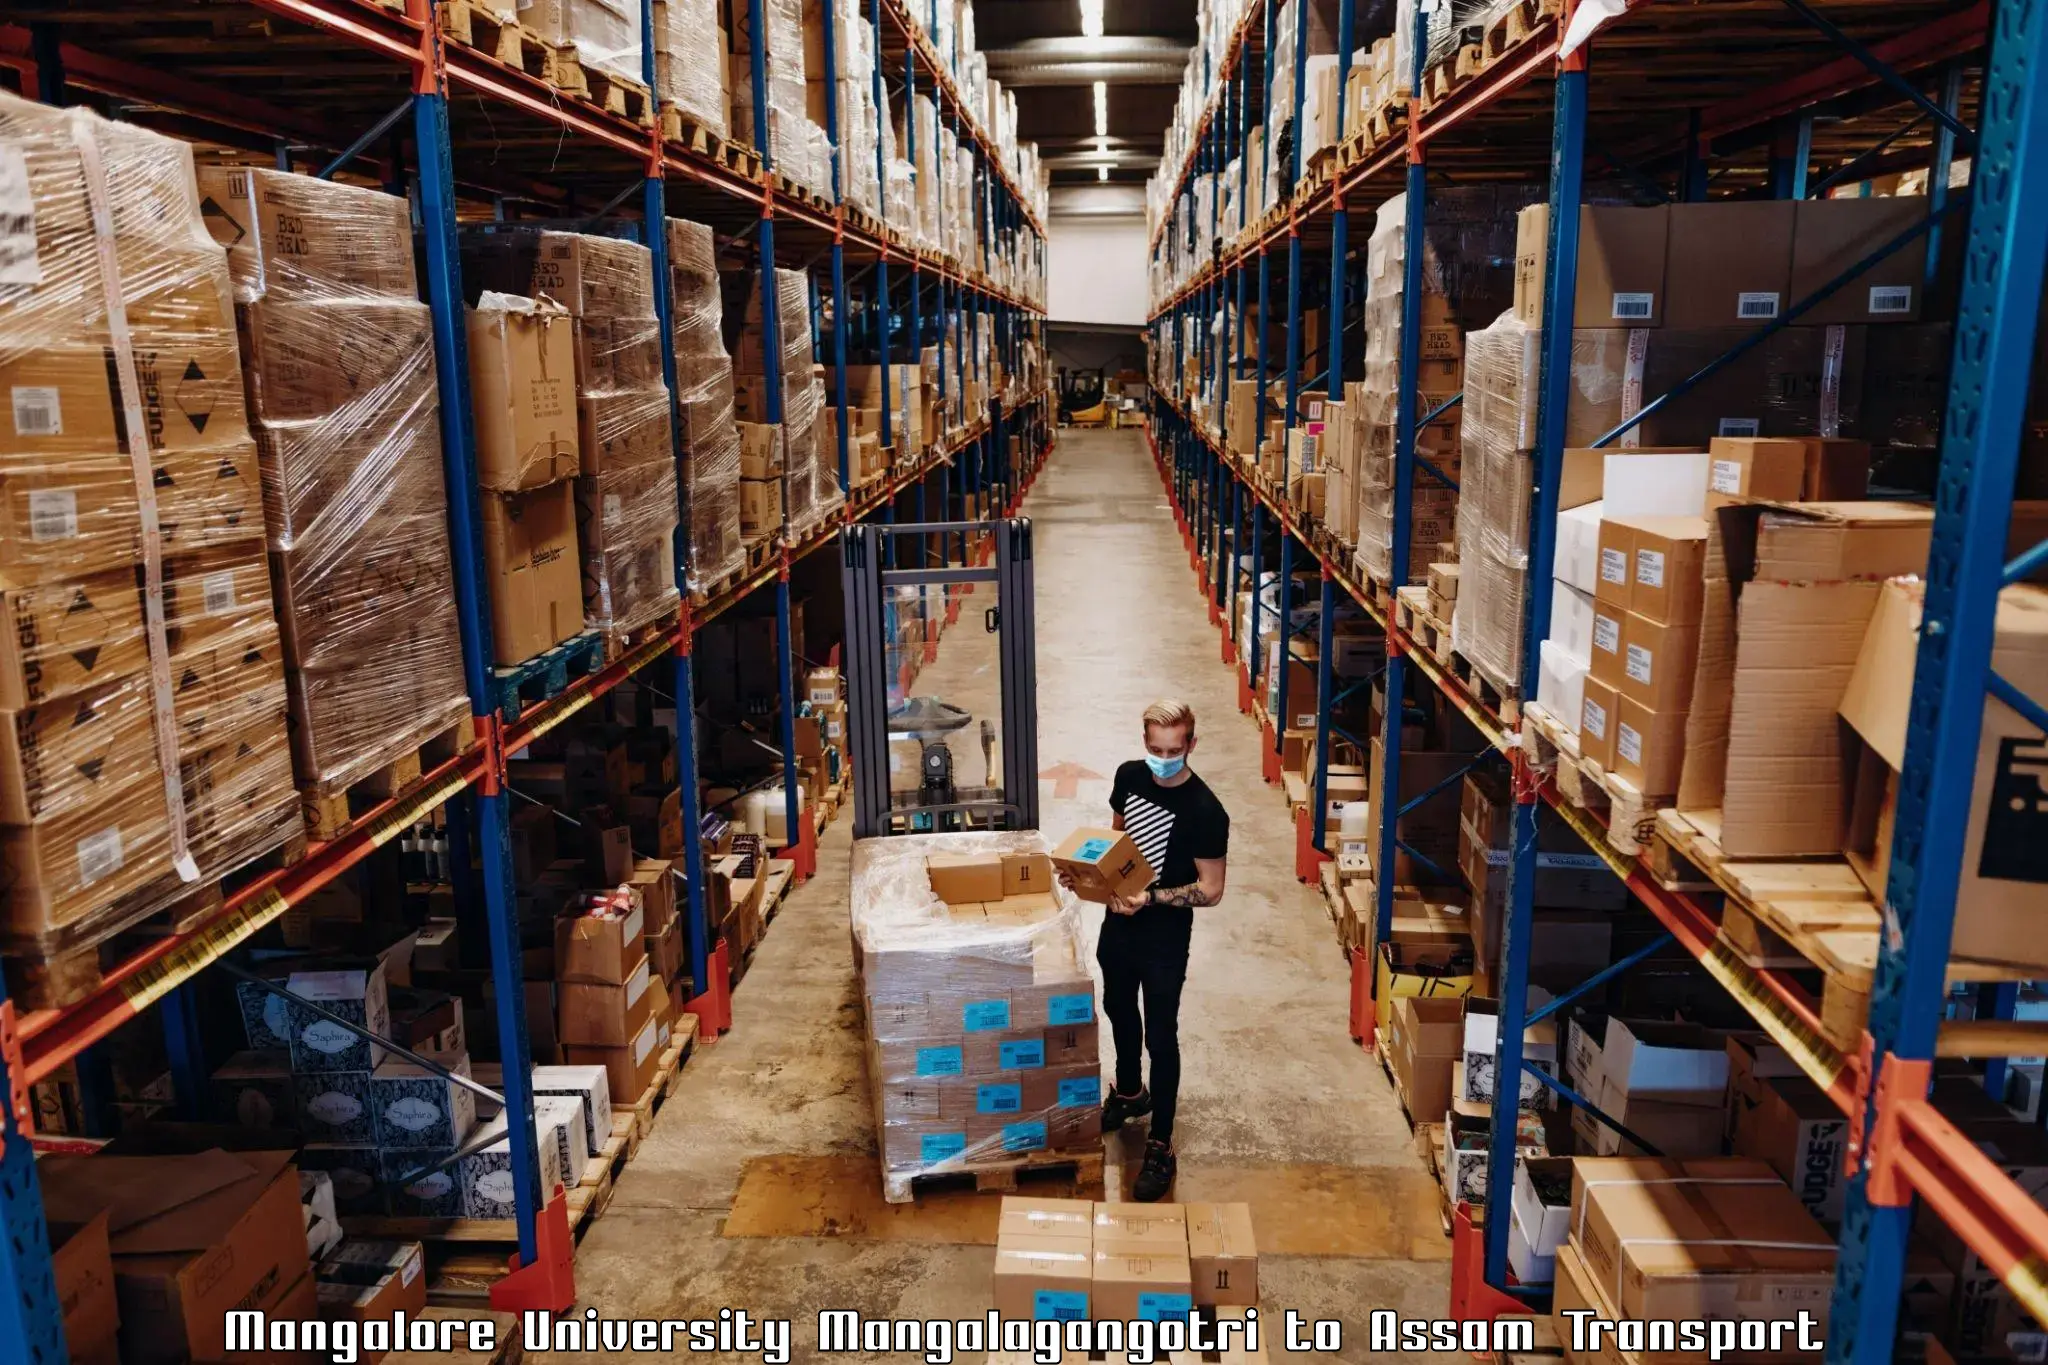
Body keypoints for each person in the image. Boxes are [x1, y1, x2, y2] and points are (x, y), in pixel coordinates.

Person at [1067, 699, 1229, 1202]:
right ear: (1144, 743)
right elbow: (1114, 842)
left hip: (1163, 936)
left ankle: (1160, 1143)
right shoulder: (1129, 776)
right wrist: (1086, 874)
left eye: (1174, 750)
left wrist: (1152, 898)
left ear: (1191, 745)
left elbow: (1212, 888)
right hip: (1119, 922)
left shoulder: (1206, 810)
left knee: (1161, 1033)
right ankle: (1132, 1093)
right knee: (1117, 1007)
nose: (1164, 759)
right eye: (1156, 749)